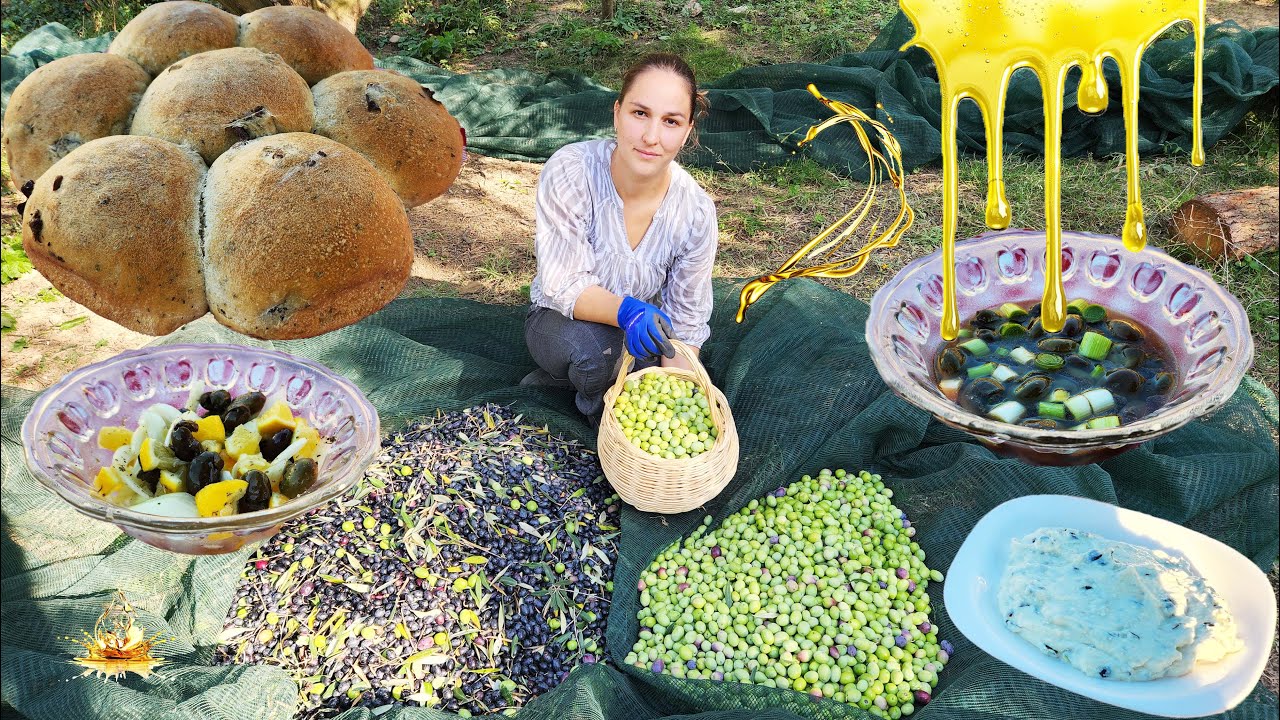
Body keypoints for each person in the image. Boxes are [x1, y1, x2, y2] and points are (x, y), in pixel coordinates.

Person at [522, 52, 718, 426]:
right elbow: (565, 284)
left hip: (635, 337)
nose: (651, 137)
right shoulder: (573, 170)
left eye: (671, 121)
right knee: (595, 353)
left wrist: (677, 398)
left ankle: (577, 391)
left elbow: (687, 320)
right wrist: (629, 311)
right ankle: (584, 400)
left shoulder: (694, 212)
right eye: (639, 113)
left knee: (649, 364)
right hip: (560, 318)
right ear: (617, 113)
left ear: (688, 130)